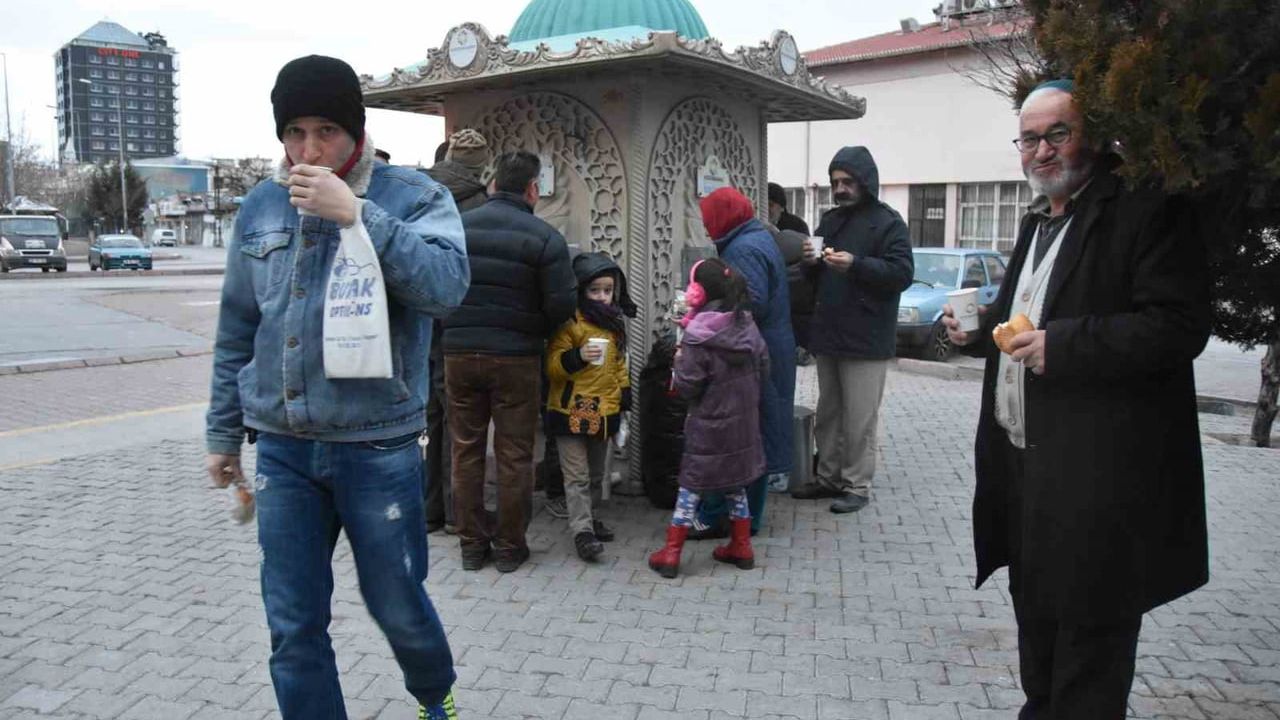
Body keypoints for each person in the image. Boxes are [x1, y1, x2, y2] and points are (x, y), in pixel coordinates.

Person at [204, 55, 469, 720]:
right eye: (295, 132)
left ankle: (435, 696)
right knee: (293, 624)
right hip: (285, 448)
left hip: (377, 447)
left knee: (398, 603)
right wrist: (222, 432)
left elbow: (446, 288)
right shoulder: (263, 206)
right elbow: (239, 326)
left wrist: (360, 216)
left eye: (326, 130)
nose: (309, 150)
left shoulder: (414, 197)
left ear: (357, 129)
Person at [941, 80, 1210, 719]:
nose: (1041, 151)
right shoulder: (1040, 219)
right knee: (1038, 633)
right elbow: (1029, 320)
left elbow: (1178, 327)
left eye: (1057, 133)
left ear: (1089, 136)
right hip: (1026, 471)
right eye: (1029, 138)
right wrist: (982, 331)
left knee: (1090, 649)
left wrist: (1065, 345)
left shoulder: (1146, 210)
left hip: (1099, 482)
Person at [443, 150, 577, 573]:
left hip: (459, 354)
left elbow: (437, 287)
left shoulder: (457, 228)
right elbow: (561, 307)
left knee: (465, 450)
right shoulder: (545, 238)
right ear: (533, 188)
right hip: (516, 359)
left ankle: (470, 544)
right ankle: (508, 547)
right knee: (515, 453)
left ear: (494, 184)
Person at [790, 146, 913, 514]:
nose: (840, 189)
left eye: (847, 181)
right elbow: (813, 276)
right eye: (835, 182)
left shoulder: (889, 223)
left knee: (860, 417)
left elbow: (901, 274)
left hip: (867, 339)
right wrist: (810, 262)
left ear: (865, 181)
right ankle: (828, 478)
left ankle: (857, 485)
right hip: (829, 334)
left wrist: (857, 265)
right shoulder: (831, 221)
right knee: (829, 413)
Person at [648, 258, 769, 578]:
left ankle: (671, 553)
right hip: (742, 425)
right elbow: (764, 367)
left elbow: (687, 386)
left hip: (708, 425)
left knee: (691, 487)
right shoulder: (747, 325)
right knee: (735, 483)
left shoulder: (697, 337)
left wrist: (679, 362)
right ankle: (741, 546)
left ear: (697, 292)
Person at [691, 187, 795, 537]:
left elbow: (752, 301)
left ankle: (726, 517)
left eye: (709, 221)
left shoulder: (744, 248)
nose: (707, 230)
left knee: (740, 436)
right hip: (769, 346)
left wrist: (704, 314)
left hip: (751, 352)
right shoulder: (756, 237)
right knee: (757, 435)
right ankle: (746, 519)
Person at [544, 251, 637, 561]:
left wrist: (624, 395)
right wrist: (578, 357)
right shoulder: (569, 323)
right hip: (570, 410)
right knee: (577, 476)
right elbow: (553, 366)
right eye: (594, 290)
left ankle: (591, 518)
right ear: (581, 290)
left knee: (598, 474)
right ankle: (582, 531)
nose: (602, 297)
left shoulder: (614, 324)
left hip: (603, 409)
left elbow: (619, 364)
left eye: (608, 291)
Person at [422, 129, 491, 535]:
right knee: (459, 421)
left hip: (421, 319)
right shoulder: (480, 203)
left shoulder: (420, 193)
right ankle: (455, 513)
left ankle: (428, 510)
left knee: (428, 417)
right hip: (461, 322)